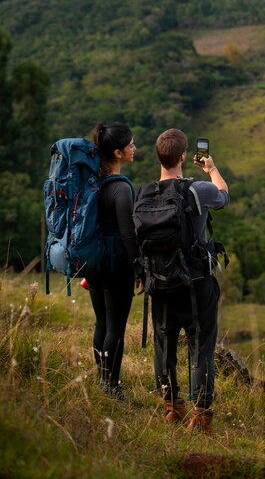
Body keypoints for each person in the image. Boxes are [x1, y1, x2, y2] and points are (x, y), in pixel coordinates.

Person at [150, 128, 229, 433]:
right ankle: (202, 415)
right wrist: (211, 169)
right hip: (196, 284)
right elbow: (224, 195)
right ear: (183, 156)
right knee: (202, 347)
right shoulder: (198, 190)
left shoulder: (146, 194)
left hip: (161, 283)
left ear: (160, 156)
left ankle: (172, 408)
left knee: (164, 345)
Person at [88, 122, 138, 400]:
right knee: (116, 328)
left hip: (94, 261)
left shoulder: (93, 182)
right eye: (130, 145)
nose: (134, 148)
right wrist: (139, 267)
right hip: (117, 265)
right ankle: (112, 385)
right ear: (118, 153)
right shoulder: (121, 189)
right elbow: (128, 235)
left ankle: (102, 380)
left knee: (101, 324)